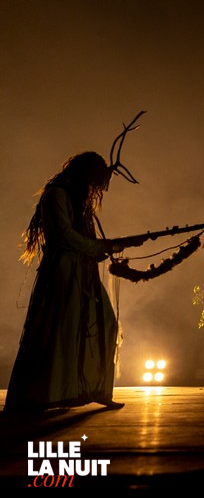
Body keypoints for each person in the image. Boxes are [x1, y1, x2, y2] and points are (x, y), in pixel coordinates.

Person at [5, 152, 125, 412]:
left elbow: (78, 237)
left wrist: (102, 248)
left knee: (105, 323)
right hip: (63, 270)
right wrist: (98, 247)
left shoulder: (78, 200)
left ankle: (96, 389)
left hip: (83, 270)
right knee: (59, 330)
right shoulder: (56, 195)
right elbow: (64, 236)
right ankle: (41, 395)